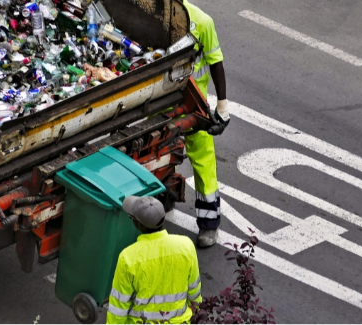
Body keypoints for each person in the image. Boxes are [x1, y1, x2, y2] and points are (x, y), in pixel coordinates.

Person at [106, 196, 202, 324]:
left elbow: (118, 308)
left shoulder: (128, 258)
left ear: (138, 224)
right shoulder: (186, 246)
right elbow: (194, 293)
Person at [182, 0, 229, 248]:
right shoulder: (153, 17)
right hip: (160, 99)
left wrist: (222, 107)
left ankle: (209, 224)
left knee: (203, 162)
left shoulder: (202, 22)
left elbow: (215, 63)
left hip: (192, 103)